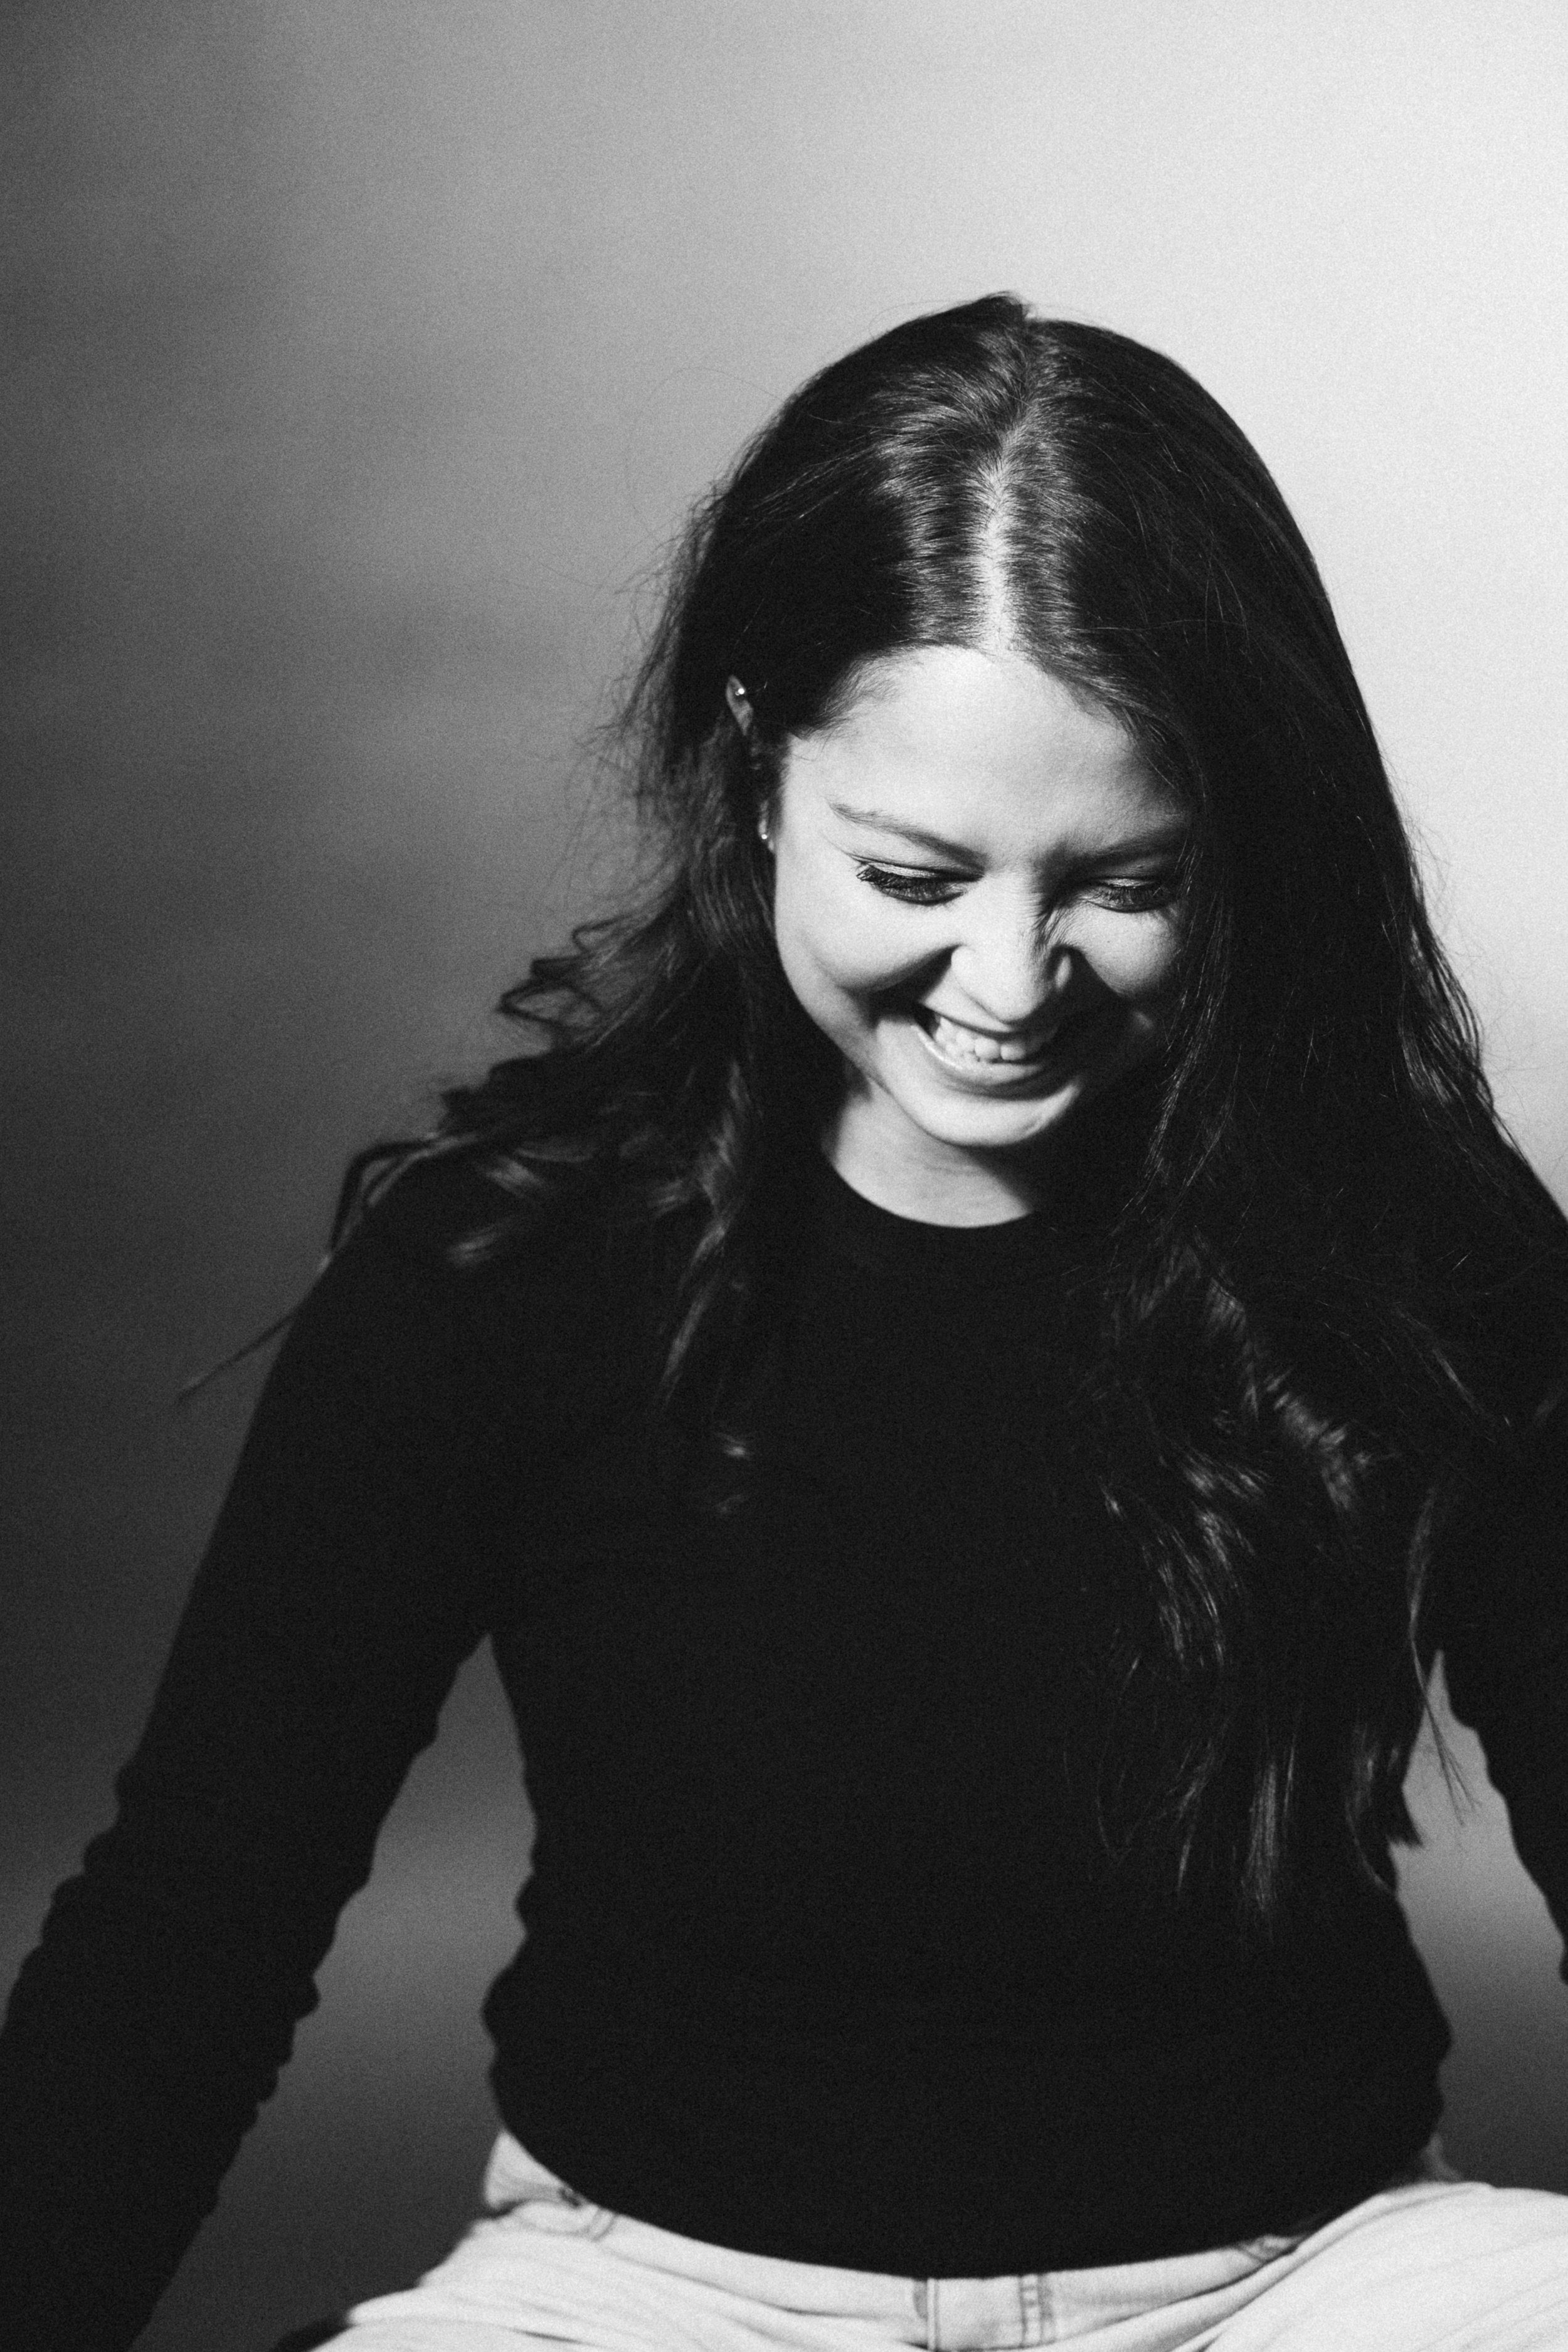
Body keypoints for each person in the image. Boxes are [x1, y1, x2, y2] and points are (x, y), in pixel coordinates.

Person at [3, 294, 1567, 2352]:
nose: (1008, 980)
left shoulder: (1415, 1246)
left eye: (1126, 882)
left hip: (1299, 2284)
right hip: (645, 2296)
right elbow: (196, 1918)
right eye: (914, 867)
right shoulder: (505, 1270)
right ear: (757, 774)